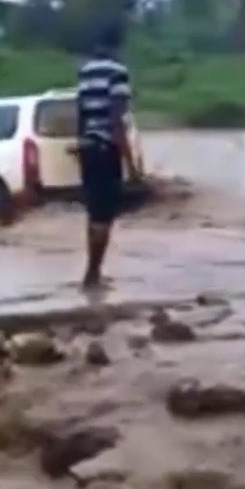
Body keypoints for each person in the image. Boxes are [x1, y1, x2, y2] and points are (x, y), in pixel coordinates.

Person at [75, 20, 133, 291]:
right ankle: (92, 276)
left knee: (93, 213)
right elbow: (117, 120)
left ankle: (93, 273)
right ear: (117, 45)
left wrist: (80, 143)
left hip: (87, 148)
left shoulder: (85, 72)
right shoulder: (117, 73)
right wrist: (130, 162)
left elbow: (81, 113)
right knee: (105, 216)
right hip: (105, 149)